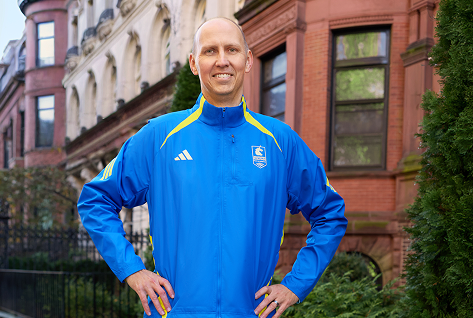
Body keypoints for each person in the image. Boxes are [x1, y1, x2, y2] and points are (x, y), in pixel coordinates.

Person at [77, 18, 347, 318]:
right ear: (194, 63)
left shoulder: (280, 141)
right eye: (210, 51)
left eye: (231, 49)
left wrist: (296, 285)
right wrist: (132, 270)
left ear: (247, 60)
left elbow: (330, 213)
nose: (222, 61)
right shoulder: (159, 136)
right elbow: (95, 199)